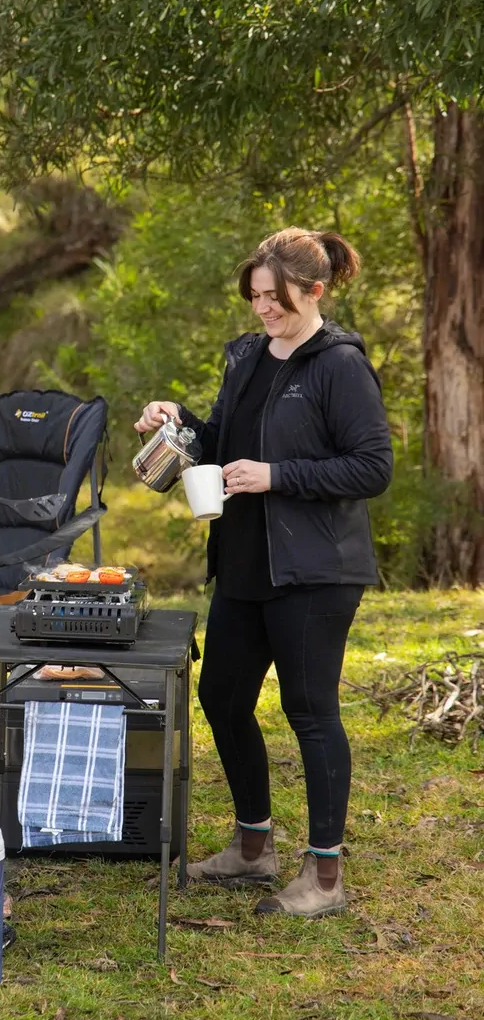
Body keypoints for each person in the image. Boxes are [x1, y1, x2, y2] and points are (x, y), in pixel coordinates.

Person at [135, 227, 393, 918]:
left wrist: (278, 475)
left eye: (275, 297)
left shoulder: (340, 365)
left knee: (311, 712)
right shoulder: (248, 356)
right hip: (246, 560)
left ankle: (326, 878)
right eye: (254, 296)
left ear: (315, 290)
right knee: (221, 697)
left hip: (315, 571)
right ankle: (254, 848)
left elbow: (372, 467)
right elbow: (221, 442)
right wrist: (176, 420)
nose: (263, 309)